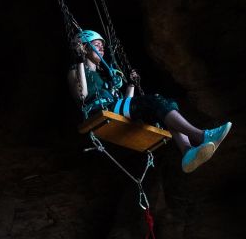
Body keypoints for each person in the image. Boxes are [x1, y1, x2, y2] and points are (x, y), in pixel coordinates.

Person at [68, 29, 232, 173]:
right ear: (84, 47)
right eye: (97, 45)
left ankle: (187, 151)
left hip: (115, 110)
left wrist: (131, 85)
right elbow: (82, 96)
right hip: (99, 112)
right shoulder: (75, 71)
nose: (102, 48)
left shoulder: (105, 78)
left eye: (102, 45)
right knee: (154, 101)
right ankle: (201, 135)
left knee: (165, 104)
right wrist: (80, 61)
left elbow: (127, 104)